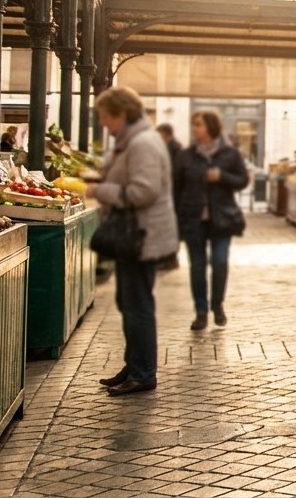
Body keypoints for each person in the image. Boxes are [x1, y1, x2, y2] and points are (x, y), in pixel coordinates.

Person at [87, 87, 178, 397]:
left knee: (137, 305)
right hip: (134, 236)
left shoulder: (142, 144)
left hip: (141, 236)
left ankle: (143, 373)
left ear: (122, 114)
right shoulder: (132, 142)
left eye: (105, 117)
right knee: (129, 303)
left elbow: (143, 191)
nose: (103, 123)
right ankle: (135, 365)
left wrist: (99, 191)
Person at [173, 110, 249, 330]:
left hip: (221, 219)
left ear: (211, 127)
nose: (195, 128)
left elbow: (243, 180)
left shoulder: (230, 154)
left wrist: (221, 177)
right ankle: (201, 312)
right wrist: (176, 220)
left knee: (219, 262)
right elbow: (176, 189)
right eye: (194, 124)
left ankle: (217, 305)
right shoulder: (186, 156)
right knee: (197, 267)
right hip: (193, 219)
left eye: (199, 124)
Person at [155, 123, 184, 271]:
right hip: (170, 194)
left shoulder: (174, 150)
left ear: (167, 135)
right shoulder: (168, 148)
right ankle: (167, 258)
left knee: (171, 228)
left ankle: (170, 259)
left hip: (173, 195)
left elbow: (174, 174)